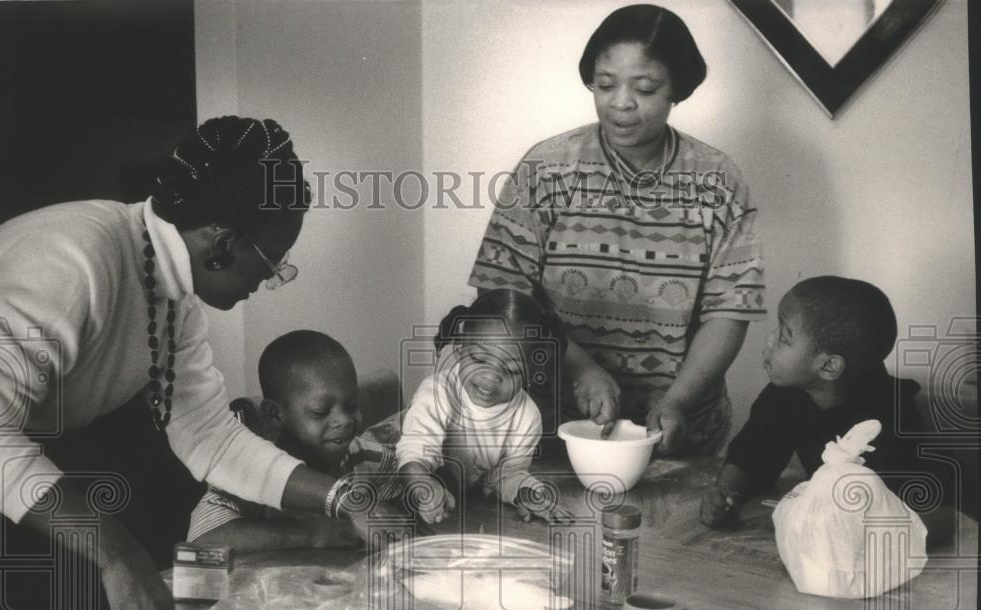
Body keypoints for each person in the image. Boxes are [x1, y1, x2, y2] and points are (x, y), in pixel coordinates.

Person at [0, 116, 391, 610]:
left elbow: (212, 438)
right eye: (271, 265)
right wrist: (117, 555)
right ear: (222, 244)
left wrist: (340, 499)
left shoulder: (176, 298)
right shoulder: (73, 262)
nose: (266, 283)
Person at [468, 4, 765, 456]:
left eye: (645, 88)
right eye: (605, 84)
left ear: (677, 90)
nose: (621, 101)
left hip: (677, 427)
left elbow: (731, 309)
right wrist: (580, 369)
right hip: (553, 420)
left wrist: (678, 400)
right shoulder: (547, 168)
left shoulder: (718, 180)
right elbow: (500, 297)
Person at [699, 276, 958, 544]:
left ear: (828, 367)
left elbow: (941, 520)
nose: (769, 339)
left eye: (785, 337)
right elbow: (752, 456)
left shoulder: (887, 423)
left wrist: (827, 528)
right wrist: (727, 493)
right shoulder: (787, 393)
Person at [187, 330, 404, 552]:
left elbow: (413, 482)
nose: (344, 420)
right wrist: (311, 534)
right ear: (275, 415)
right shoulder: (251, 471)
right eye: (320, 412)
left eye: (351, 405)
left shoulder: (365, 458)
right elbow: (202, 540)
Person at [397, 289, 573, 525]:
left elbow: (507, 474)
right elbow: (416, 446)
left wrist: (528, 494)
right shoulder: (439, 392)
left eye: (511, 370)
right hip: (393, 473)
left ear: (533, 372)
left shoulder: (526, 416)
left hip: (458, 501)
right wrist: (421, 483)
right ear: (459, 349)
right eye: (479, 360)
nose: (490, 377)